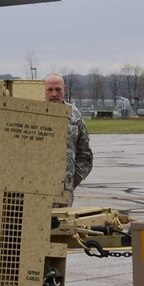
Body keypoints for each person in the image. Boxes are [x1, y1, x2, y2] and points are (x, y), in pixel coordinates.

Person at [44, 73, 93, 203]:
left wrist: (71, 183)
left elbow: (85, 155)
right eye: (50, 89)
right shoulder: (33, 114)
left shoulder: (75, 115)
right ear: (43, 90)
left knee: (62, 223)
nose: (54, 94)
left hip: (63, 194)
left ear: (64, 89)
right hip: (36, 190)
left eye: (58, 89)